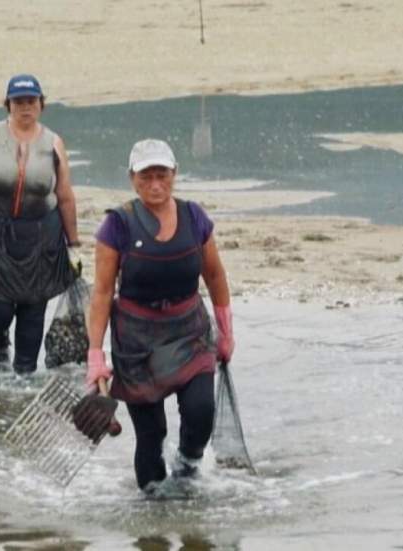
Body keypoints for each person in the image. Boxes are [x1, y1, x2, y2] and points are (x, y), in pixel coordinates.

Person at [85, 138, 235, 493]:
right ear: (132, 179)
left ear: (174, 175)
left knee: (200, 412)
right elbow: (103, 292)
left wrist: (226, 332)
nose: (155, 183)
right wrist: (95, 355)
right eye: (146, 176)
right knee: (150, 439)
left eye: (162, 174)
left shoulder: (195, 217)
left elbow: (214, 275)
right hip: (137, 341)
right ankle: (152, 519)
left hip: (190, 331)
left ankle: (187, 466)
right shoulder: (117, 225)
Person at [0, 74, 80, 373]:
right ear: (8, 104)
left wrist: (74, 246)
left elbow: (65, 197)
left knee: (33, 310)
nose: (25, 107)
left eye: (31, 101)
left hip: (40, 237)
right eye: (18, 101)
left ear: (41, 104)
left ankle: (24, 375)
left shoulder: (53, 143)